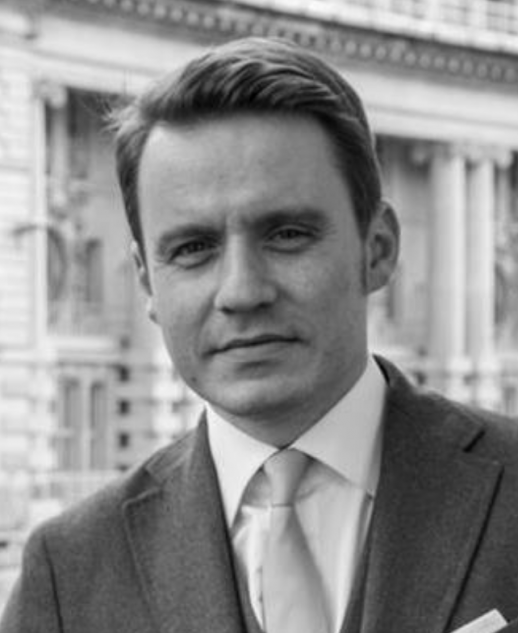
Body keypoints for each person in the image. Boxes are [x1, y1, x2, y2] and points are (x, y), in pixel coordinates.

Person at [2, 37, 518, 633]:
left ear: (378, 249)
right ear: (146, 281)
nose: (242, 291)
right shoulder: (67, 574)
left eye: (287, 234)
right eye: (193, 248)